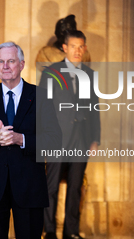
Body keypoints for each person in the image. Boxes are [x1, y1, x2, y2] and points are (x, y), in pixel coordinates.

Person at [0, 41, 61, 239]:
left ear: (22, 64)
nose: (5, 66)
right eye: (1, 62)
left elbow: (54, 141)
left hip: (30, 188)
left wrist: (21, 139)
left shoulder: (41, 96)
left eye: (10, 61)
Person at [39, 30, 100, 239]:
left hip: (81, 140)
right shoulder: (51, 72)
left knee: (75, 188)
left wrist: (95, 138)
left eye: (81, 46)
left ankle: (71, 231)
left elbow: (95, 108)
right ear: (64, 48)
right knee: (51, 187)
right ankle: (48, 231)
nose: (78, 50)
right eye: (74, 46)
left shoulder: (90, 75)